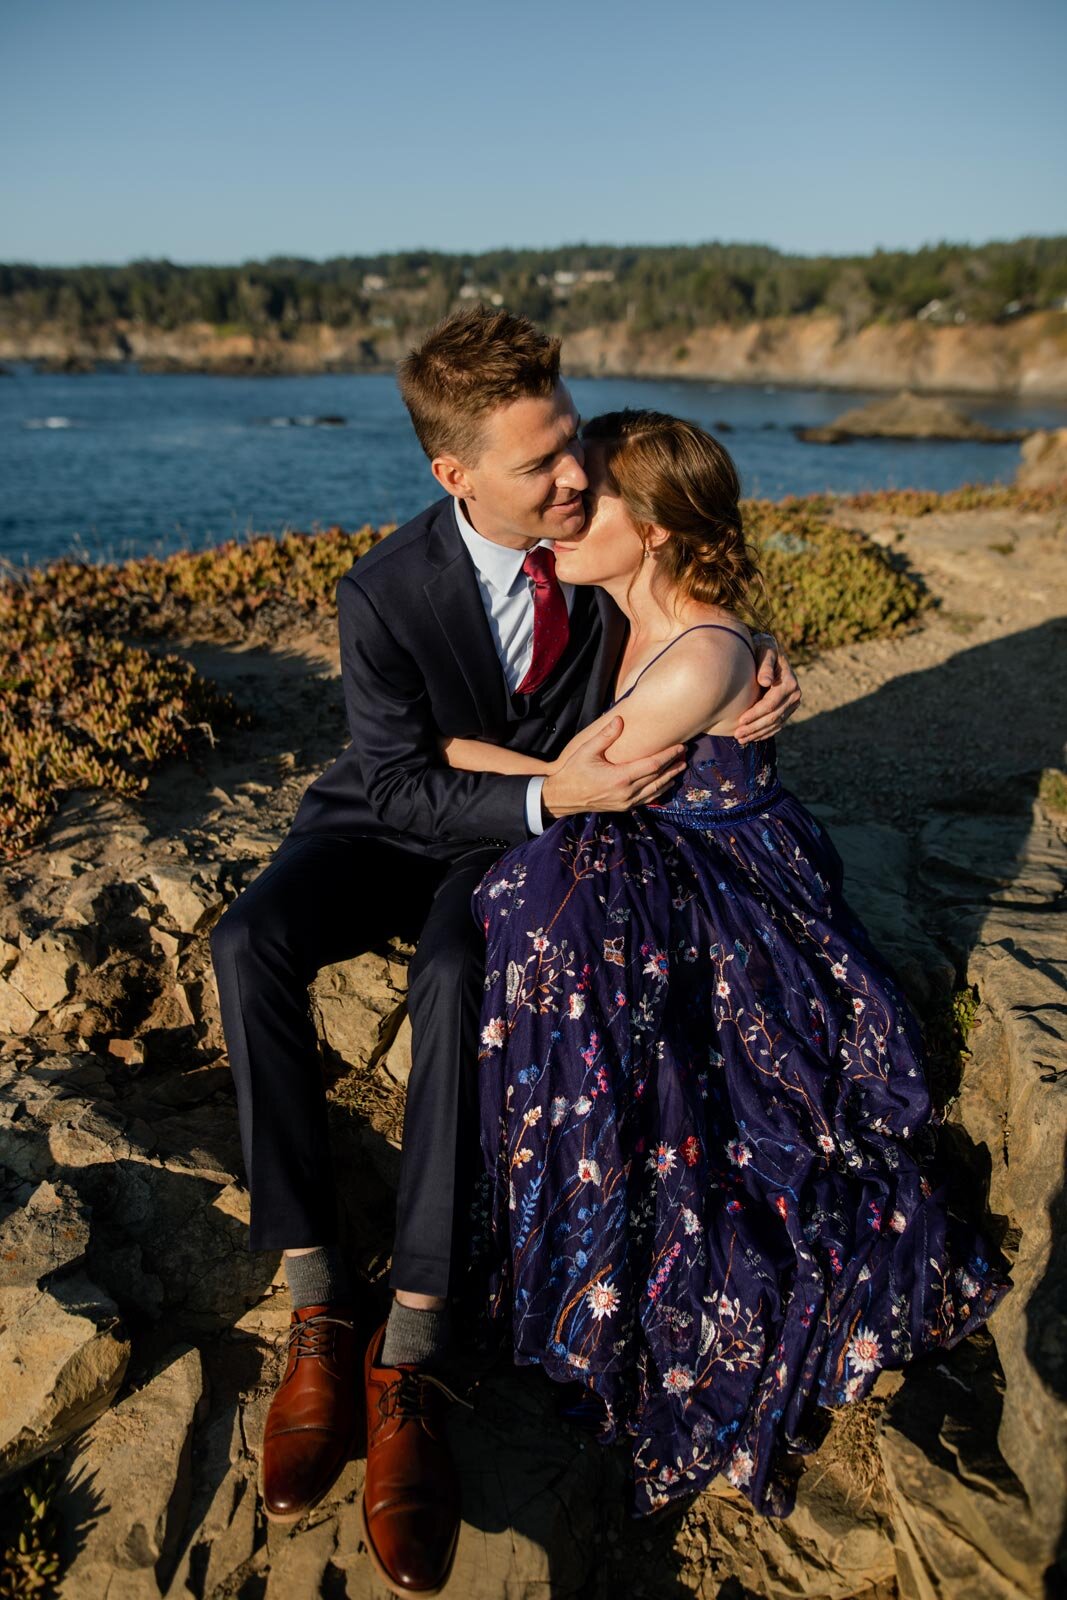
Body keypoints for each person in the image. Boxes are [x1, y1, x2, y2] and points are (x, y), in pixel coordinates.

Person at [209, 311, 801, 1591]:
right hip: (399, 818)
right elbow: (396, 779)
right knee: (247, 935)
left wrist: (748, 662)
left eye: (573, 438)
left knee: (451, 972)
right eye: (540, 462)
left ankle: (409, 1344)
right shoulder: (380, 590)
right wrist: (554, 793)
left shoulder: (588, 553)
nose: (574, 476)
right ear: (453, 474)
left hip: (509, 856)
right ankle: (316, 1295)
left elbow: (681, 610)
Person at [445, 408, 1009, 1519]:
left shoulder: (699, 654)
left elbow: (571, 777)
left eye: (589, 493)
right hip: (684, 853)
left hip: (737, 889)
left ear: (652, 529)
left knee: (556, 890)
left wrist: (445, 751)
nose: (564, 504)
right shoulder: (619, 623)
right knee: (557, 888)